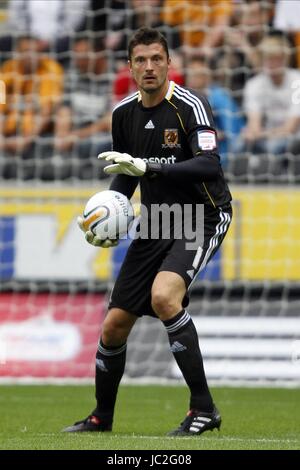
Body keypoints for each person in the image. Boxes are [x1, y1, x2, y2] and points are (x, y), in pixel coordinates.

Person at [63, 27, 232, 436]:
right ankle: (102, 417)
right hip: (156, 222)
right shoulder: (124, 113)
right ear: (130, 66)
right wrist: (107, 212)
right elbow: (125, 176)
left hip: (201, 216)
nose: (149, 67)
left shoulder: (191, 105)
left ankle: (203, 409)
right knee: (113, 325)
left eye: (157, 58)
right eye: (141, 60)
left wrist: (150, 168)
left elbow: (210, 165)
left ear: (169, 63)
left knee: (163, 297)